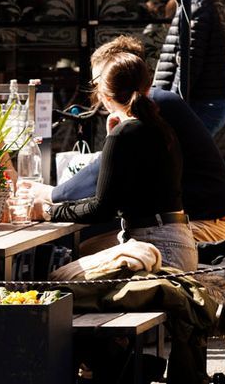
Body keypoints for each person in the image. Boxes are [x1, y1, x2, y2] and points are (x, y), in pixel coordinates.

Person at [54, 35, 225, 249]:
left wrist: (50, 197)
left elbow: (100, 186)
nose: (97, 90)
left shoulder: (156, 105)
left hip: (205, 227)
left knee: (84, 248)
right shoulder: (149, 109)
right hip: (189, 226)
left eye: (99, 81)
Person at [33, 48, 196, 271]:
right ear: (148, 88)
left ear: (105, 97)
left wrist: (47, 211)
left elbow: (101, 208)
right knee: (85, 254)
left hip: (155, 249)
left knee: (60, 277)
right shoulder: (161, 127)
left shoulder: (125, 134)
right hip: (180, 244)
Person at [153, 0, 225, 136]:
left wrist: (170, 105)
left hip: (200, 105)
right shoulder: (201, 3)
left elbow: (187, 64)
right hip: (205, 104)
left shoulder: (195, 7)